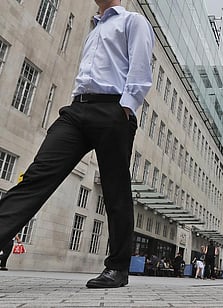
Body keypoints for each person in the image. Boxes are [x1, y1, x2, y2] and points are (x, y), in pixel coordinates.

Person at [0, 0, 154, 289]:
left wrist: (127, 106)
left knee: (115, 191)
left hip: (113, 110)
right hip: (76, 110)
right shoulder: (93, 29)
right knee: (37, 176)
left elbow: (141, 66)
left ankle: (117, 269)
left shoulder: (132, 21)